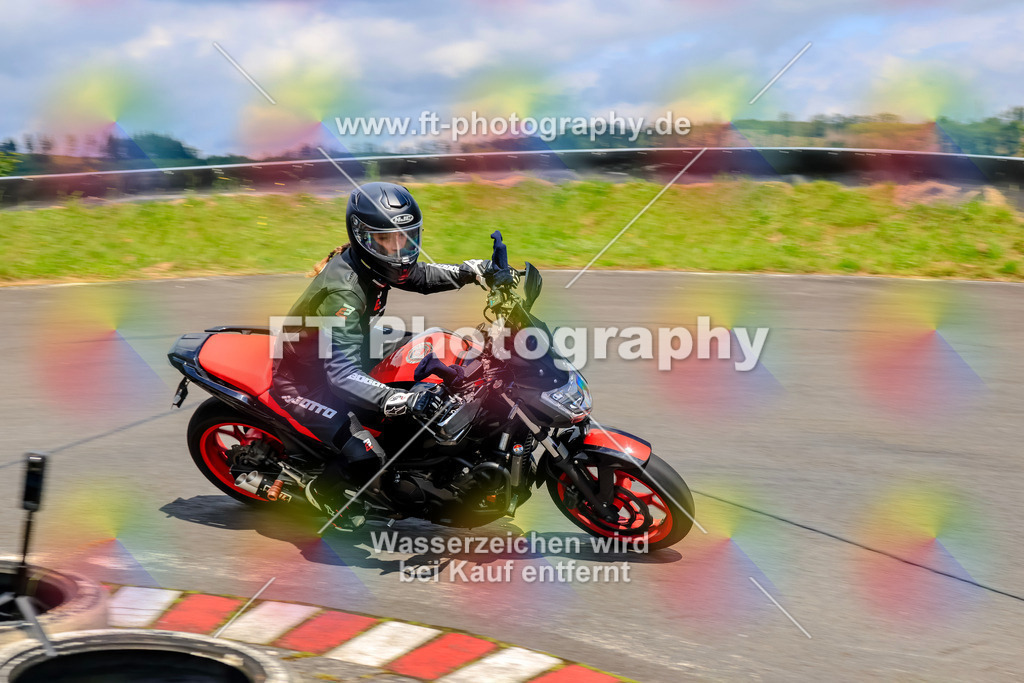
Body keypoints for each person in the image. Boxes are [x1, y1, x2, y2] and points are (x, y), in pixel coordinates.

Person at [269, 181, 499, 517]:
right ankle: (323, 495)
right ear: (362, 237)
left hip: (354, 344)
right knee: (369, 455)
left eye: (405, 238)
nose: (399, 250)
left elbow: (420, 276)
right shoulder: (345, 295)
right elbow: (341, 376)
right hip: (305, 382)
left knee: (436, 344)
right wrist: (397, 398)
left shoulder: (375, 263)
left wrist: (475, 272)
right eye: (387, 240)